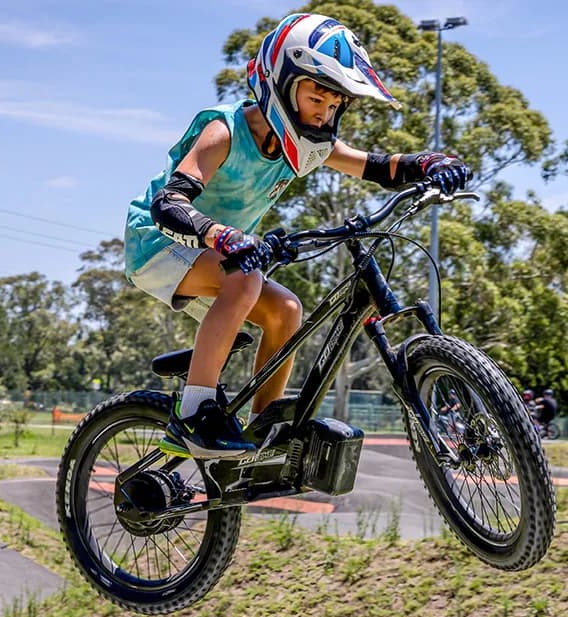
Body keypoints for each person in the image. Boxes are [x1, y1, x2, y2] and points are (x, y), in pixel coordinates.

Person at [124, 13, 471, 459]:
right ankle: (193, 415)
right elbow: (168, 204)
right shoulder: (224, 131)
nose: (324, 113)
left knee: (287, 310)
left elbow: (375, 165)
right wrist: (222, 235)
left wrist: (428, 163)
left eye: (334, 105)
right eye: (315, 98)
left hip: (223, 254)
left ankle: (264, 435)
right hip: (157, 243)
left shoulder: (305, 147)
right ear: (280, 84)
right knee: (245, 281)